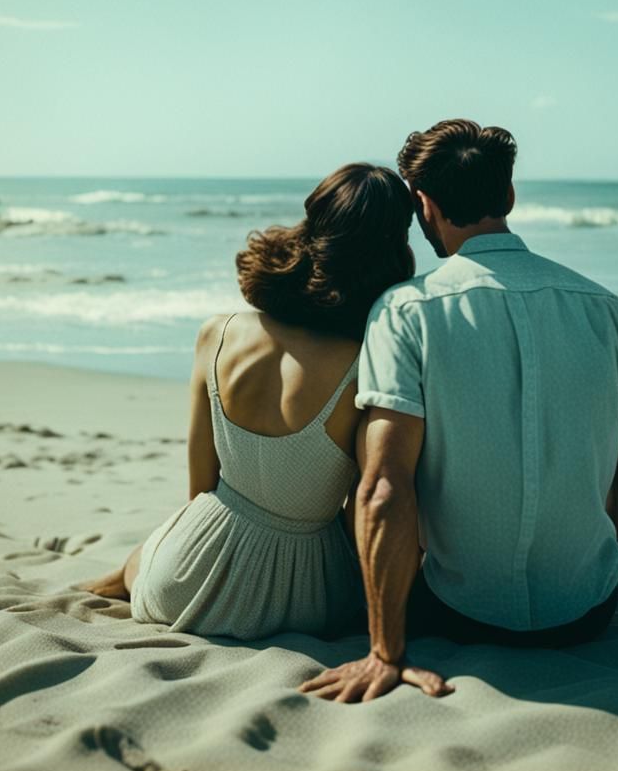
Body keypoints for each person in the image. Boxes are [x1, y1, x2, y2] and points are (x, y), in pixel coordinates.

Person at [300, 119, 618, 703]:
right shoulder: (607, 310)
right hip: (588, 616)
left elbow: (384, 489)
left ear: (423, 206)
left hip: (460, 614)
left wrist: (383, 653)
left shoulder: (406, 311)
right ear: (510, 197)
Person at [83, 163, 416, 640]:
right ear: (390, 246)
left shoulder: (217, 334)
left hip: (182, 585)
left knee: (149, 554)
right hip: (314, 602)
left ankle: (122, 577)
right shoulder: (368, 361)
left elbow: (200, 490)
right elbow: (357, 511)